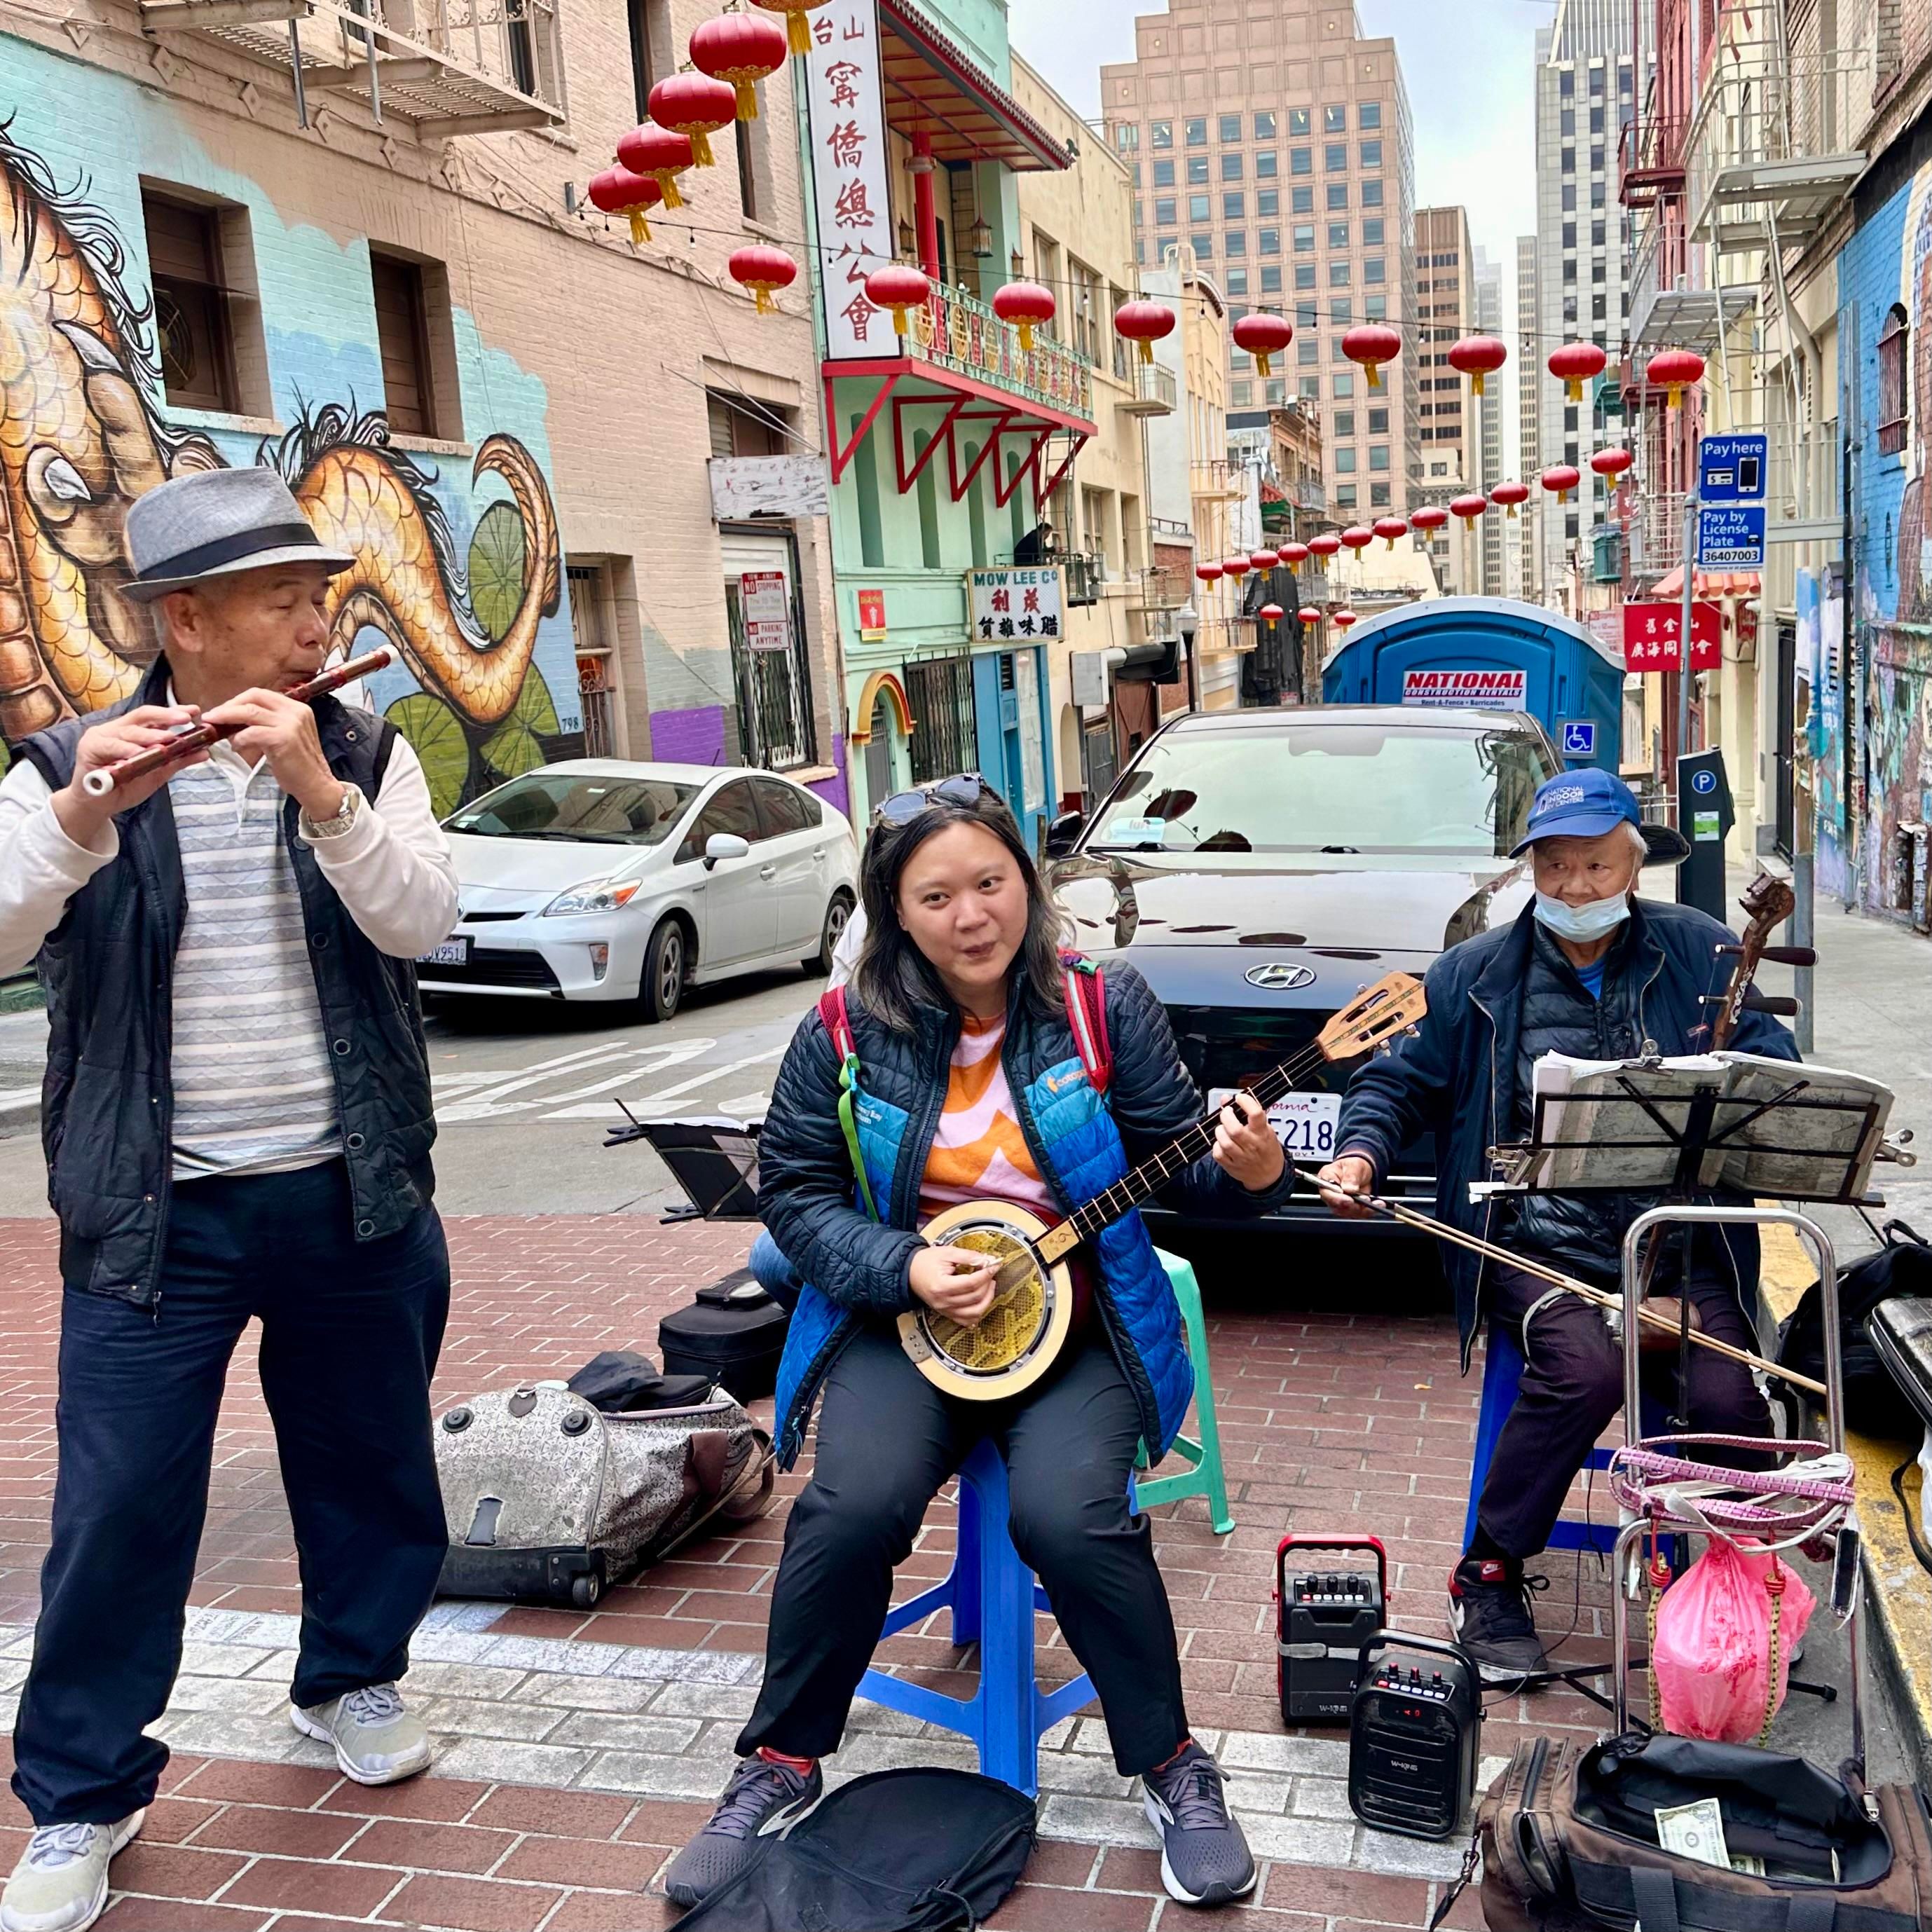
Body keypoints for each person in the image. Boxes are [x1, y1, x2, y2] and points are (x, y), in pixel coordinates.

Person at [666, 774, 1289, 1912]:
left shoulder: (1102, 1003)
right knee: (849, 1507)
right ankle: (779, 1760)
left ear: (1028, 882)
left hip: (1076, 1322)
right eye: (936, 893)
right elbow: (795, 1197)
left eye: (991, 882)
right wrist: (901, 1263)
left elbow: (1183, 1160)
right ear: (894, 910)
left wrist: (1246, 1170)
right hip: (903, 1319)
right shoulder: (844, 1030)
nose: (971, 914)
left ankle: (1169, 1765)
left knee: (1068, 1512)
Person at [0, 467, 460, 1932]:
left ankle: (351, 1675)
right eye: (283, 600)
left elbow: (424, 919)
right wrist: (84, 813)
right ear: (185, 620)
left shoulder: (369, 748)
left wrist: (323, 795)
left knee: (370, 1455)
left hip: (352, 1185)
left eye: (320, 595)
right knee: (121, 1499)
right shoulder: (70, 758)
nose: (315, 623)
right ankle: (81, 1793)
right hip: (156, 1211)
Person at [1315, 768, 1798, 1682]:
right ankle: (1487, 1575)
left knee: (1734, 1398)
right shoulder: (1473, 972)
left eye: (1597, 865)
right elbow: (1395, 1082)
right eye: (1556, 865)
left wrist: (1738, 1075)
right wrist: (1358, 1153)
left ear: (1633, 862)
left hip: (1679, 1246)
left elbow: (1775, 1072)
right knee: (1581, 1363)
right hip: (1536, 1243)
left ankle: (1732, 1583)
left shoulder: (1699, 952)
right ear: (1529, 865)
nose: (1576, 887)